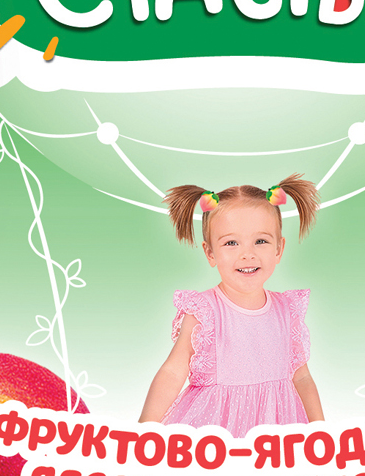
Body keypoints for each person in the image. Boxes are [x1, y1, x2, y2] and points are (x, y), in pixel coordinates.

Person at [138, 175, 325, 434]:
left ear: (279, 249)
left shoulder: (286, 311)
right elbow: (173, 372)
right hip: (215, 430)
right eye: (231, 243)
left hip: (278, 430)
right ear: (210, 253)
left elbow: (302, 377)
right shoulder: (204, 312)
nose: (247, 254)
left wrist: (320, 430)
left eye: (261, 241)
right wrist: (145, 428)